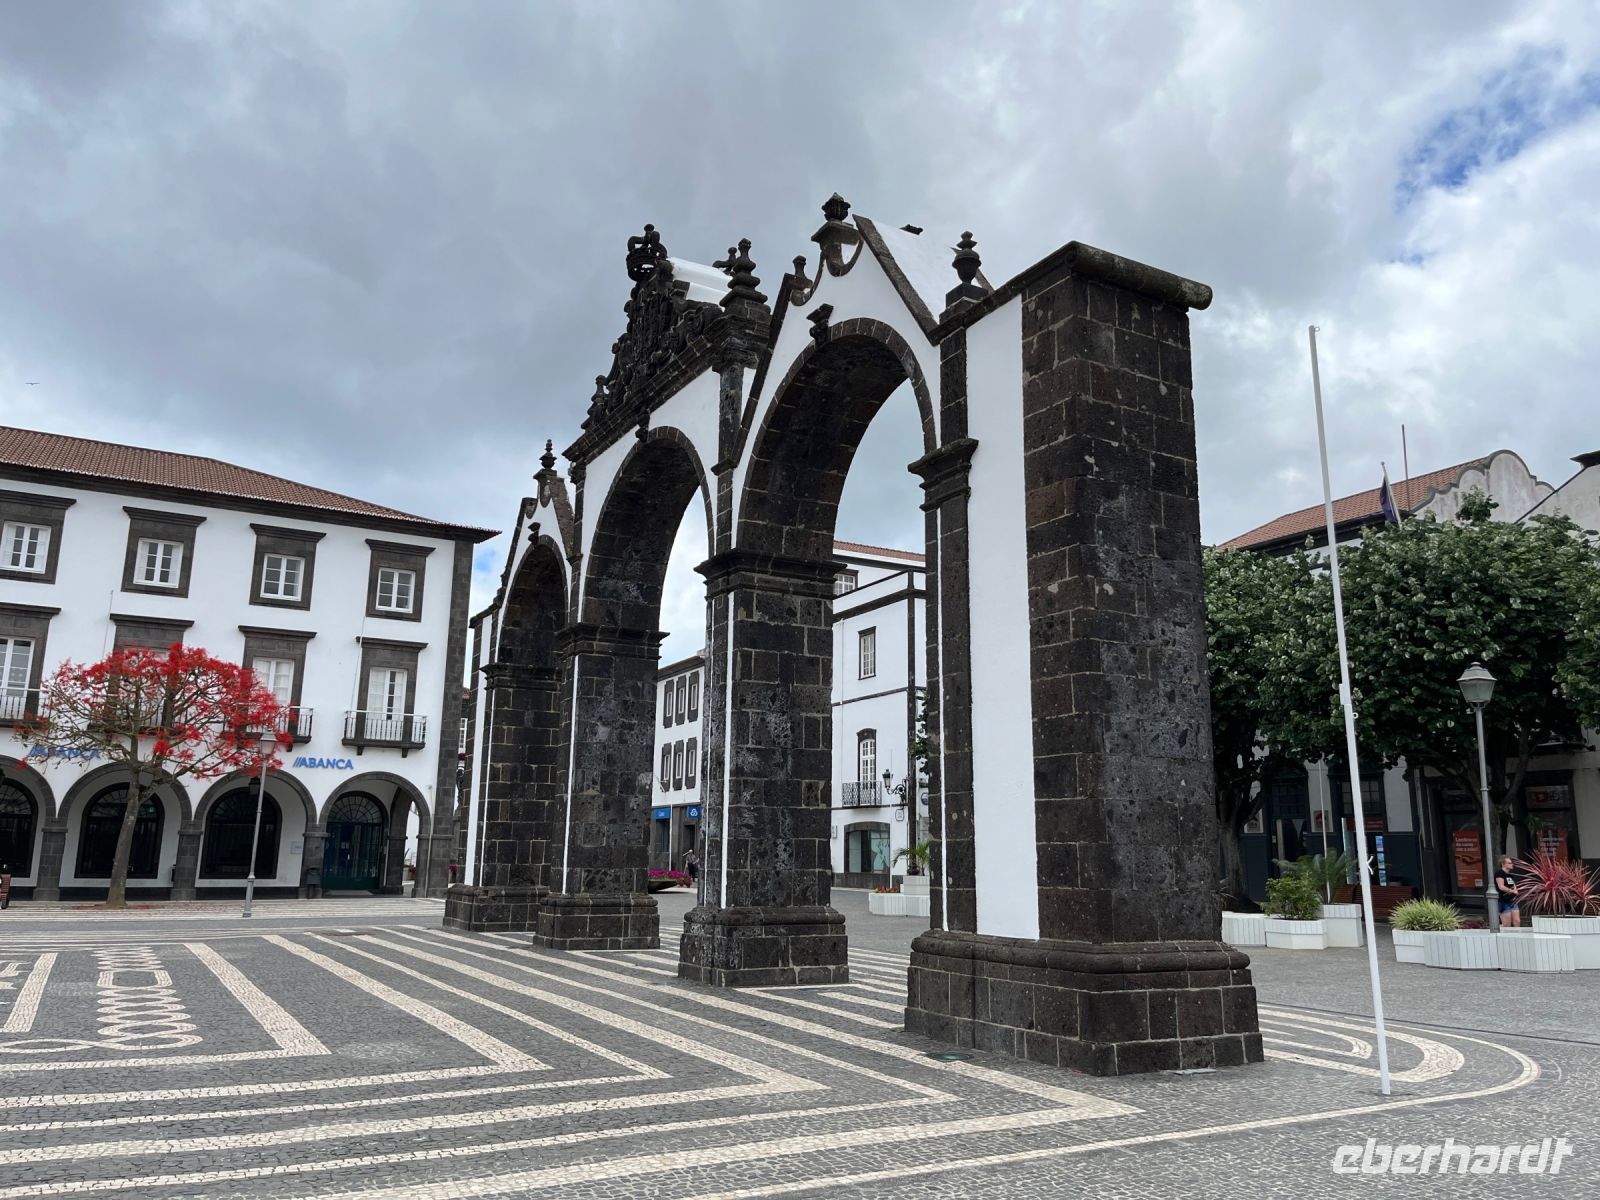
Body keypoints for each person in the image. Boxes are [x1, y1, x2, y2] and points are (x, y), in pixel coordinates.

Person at [1494, 855, 1521, 928]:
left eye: (1511, 863)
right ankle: (1495, 930)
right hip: (1503, 901)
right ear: (1503, 864)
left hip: (1512, 900)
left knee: (1517, 921)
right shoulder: (1499, 873)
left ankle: (1517, 937)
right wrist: (1512, 891)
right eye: (1509, 863)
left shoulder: (1510, 875)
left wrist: (1516, 890)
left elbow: (1513, 885)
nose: (1512, 864)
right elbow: (1501, 886)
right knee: (1506, 924)